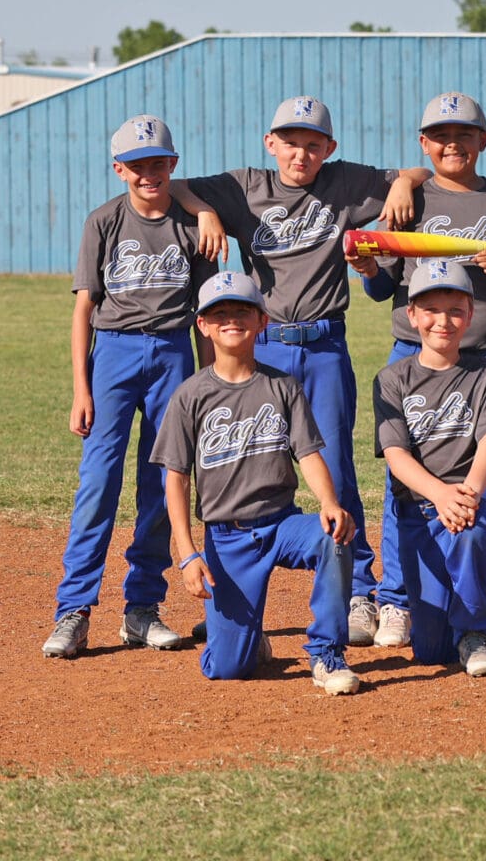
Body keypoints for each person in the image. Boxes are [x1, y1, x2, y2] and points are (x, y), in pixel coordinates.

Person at [168, 96, 429, 649]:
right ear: (271, 143)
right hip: (263, 350)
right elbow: (174, 184)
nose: (301, 153)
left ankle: (359, 589)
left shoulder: (343, 183)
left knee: (333, 467)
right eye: (290, 141)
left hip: (325, 345)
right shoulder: (246, 187)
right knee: (242, 470)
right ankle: (233, 594)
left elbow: (419, 170)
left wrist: (404, 183)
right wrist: (207, 213)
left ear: (328, 149)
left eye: (313, 144)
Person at [355, 93, 486, 649]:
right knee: (406, 481)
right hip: (414, 358)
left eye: (465, 134)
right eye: (441, 134)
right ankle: (396, 599)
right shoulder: (411, 198)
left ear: (483, 141)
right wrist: (371, 265)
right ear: (424, 143)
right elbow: (379, 288)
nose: (452, 143)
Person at [44, 115, 216, 659]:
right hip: (113, 352)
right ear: (119, 169)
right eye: (137, 164)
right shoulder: (104, 221)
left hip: (172, 351)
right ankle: (73, 610)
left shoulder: (192, 227)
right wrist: (81, 386)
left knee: (164, 483)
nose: (148, 173)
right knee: (98, 482)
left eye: (158, 162)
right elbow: (83, 309)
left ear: (174, 164)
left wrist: (209, 385)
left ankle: (142, 608)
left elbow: (207, 316)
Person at [152, 272, 361, 694]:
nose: (231, 320)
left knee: (333, 535)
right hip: (228, 539)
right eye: (219, 313)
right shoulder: (190, 396)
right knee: (228, 667)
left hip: (282, 524)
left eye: (243, 311)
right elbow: (175, 480)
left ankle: (325, 653)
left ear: (263, 321)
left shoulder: (281, 386)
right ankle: (247, 641)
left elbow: (308, 454)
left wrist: (328, 502)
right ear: (203, 326)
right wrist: (188, 555)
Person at [372, 259, 486, 677]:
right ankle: (482, 611)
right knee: (431, 651)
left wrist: (466, 493)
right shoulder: (392, 379)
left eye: (455, 310)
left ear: (470, 315)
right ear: (411, 315)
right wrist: (440, 495)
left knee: (469, 535)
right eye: (431, 310)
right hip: (421, 509)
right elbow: (396, 456)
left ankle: (477, 630)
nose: (443, 321)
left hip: (475, 500)